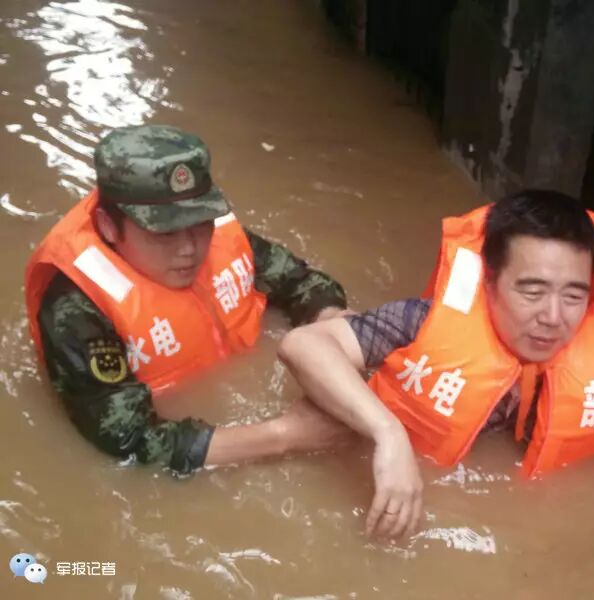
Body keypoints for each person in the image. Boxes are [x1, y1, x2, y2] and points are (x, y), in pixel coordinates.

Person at [278, 189, 594, 598]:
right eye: (531, 290)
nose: (553, 317)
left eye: (573, 295)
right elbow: (304, 346)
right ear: (489, 283)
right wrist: (387, 434)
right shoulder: (423, 324)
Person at [25, 124, 350, 476]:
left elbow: (300, 282)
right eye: (164, 232)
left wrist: (337, 336)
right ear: (108, 227)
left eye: (199, 222)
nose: (189, 248)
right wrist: (286, 435)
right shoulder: (75, 307)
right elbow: (126, 437)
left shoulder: (218, 236)